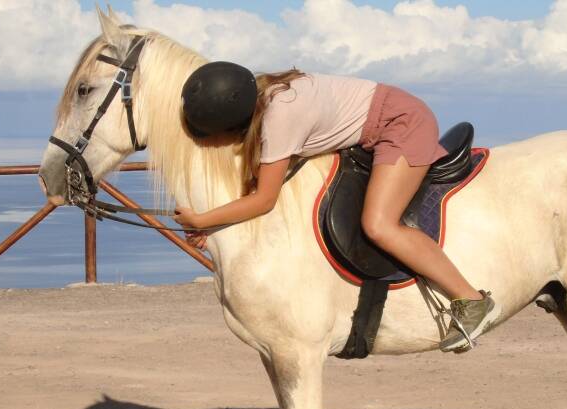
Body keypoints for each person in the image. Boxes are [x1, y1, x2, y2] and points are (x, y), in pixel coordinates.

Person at [173, 62, 493, 352]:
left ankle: (470, 299)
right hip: (384, 118)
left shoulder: (280, 119)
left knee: (379, 224)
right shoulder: (264, 92)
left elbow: (264, 200)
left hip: (402, 124)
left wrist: (201, 219)